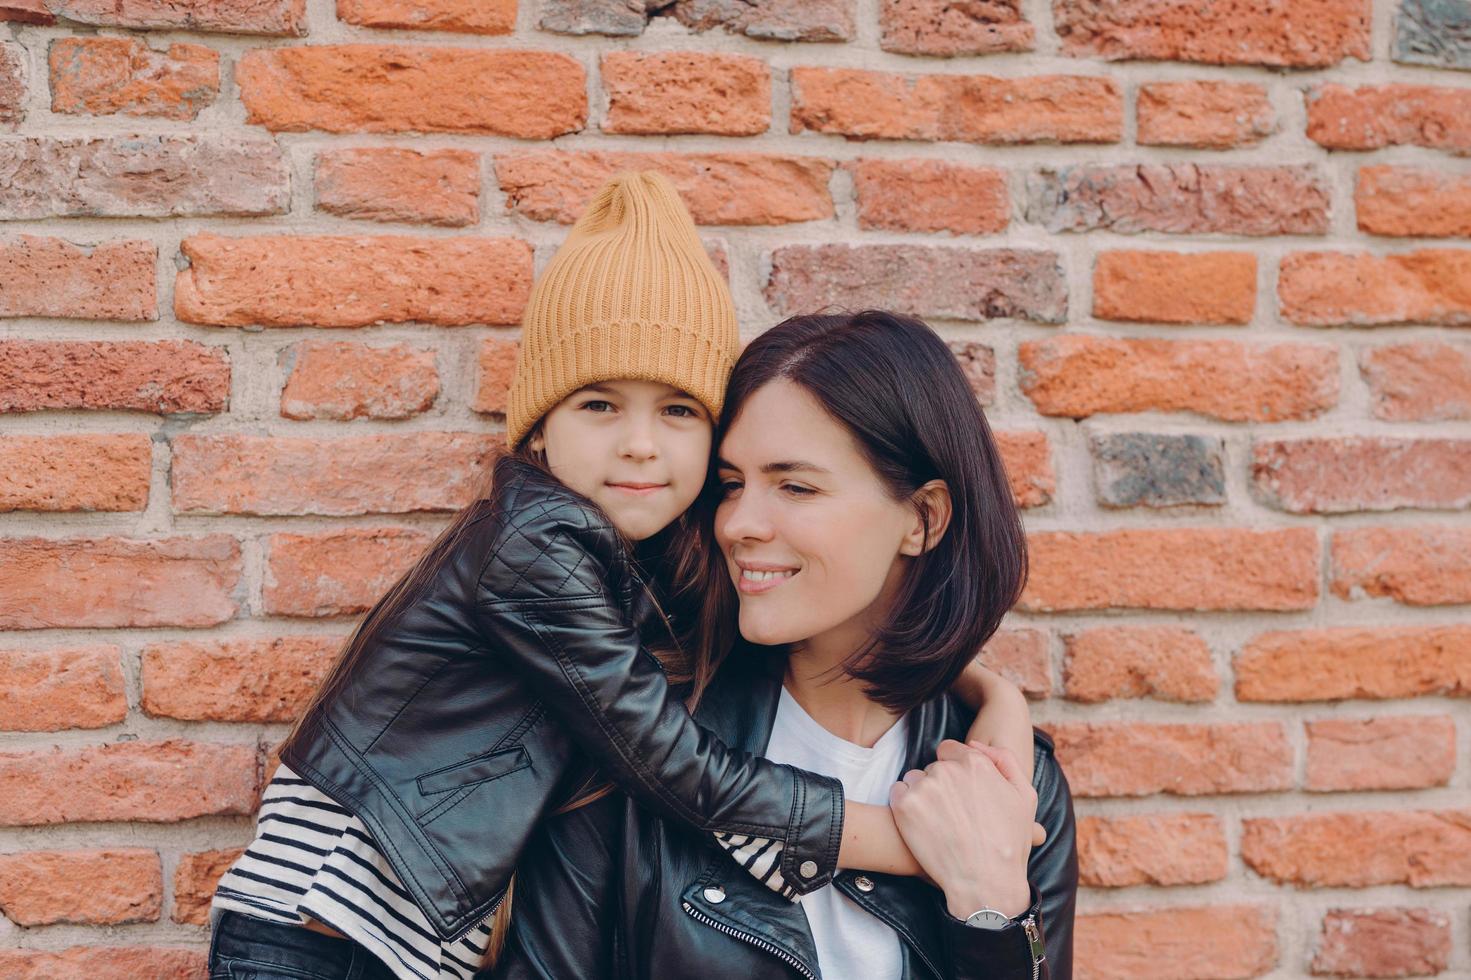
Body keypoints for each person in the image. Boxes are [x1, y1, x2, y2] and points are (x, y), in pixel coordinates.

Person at [205, 176, 1036, 980]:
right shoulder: (534, 546)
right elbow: (677, 766)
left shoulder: (631, 574)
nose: (640, 444)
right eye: (599, 405)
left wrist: (995, 703)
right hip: (315, 935)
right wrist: (907, 843)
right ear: (539, 433)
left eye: (678, 410)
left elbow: (703, 795)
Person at [488, 311, 1078, 980]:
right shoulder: (636, 743)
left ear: (922, 519)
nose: (738, 524)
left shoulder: (1014, 786)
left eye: (795, 486)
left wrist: (990, 906)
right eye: (731, 485)